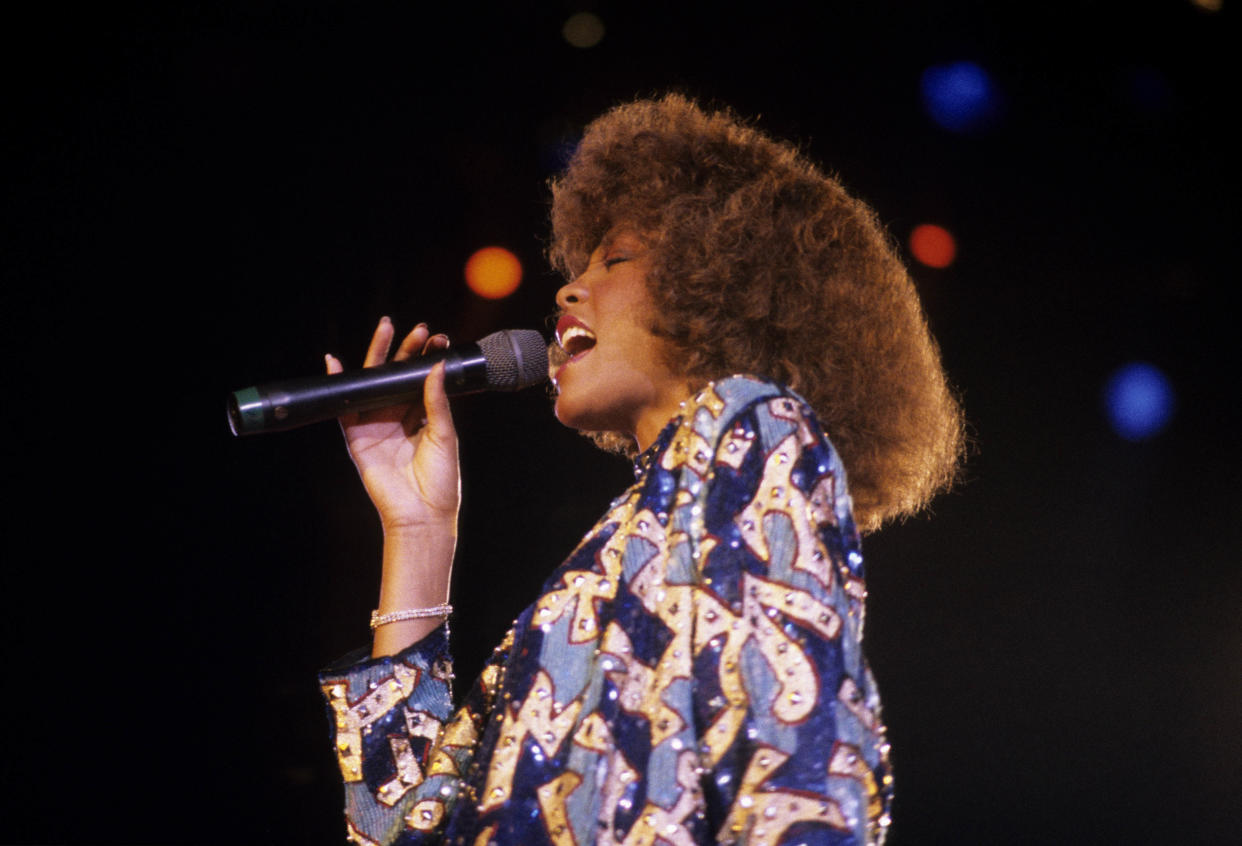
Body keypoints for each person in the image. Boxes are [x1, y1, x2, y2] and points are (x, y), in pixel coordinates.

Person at [316, 94, 964, 846]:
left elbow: (805, 778)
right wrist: (417, 527)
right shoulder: (600, 570)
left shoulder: (753, 429)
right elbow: (399, 829)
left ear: (718, 280)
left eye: (614, 258)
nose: (567, 289)